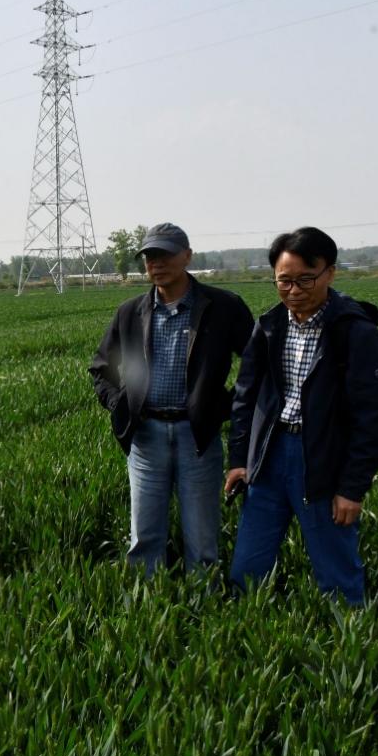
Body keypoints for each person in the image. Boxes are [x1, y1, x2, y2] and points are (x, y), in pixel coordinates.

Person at [225, 226, 378, 606]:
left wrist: (352, 488)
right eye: (284, 281)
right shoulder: (269, 327)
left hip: (321, 461)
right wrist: (239, 459)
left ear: (330, 273)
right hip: (269, 456)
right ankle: (248, 630)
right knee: (247, 569)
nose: (294, 290)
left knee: (336, 572)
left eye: (305, 279)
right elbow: (246, 398)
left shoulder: (356, 334)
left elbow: (371, 420)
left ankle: (348, 635)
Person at [90, 222, 254, 575]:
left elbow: (256, 366)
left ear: (187, 256)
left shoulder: (223, 307)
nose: (156, 263)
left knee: (202, 537)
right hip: (146, 437)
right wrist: (120, 405)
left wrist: (227, 405)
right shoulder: (130, 312)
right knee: (144, 535)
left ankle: (203, 597)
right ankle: (149, 599)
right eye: (150, 256)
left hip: (198, 436)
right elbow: (101, 368)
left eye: (165, 254)